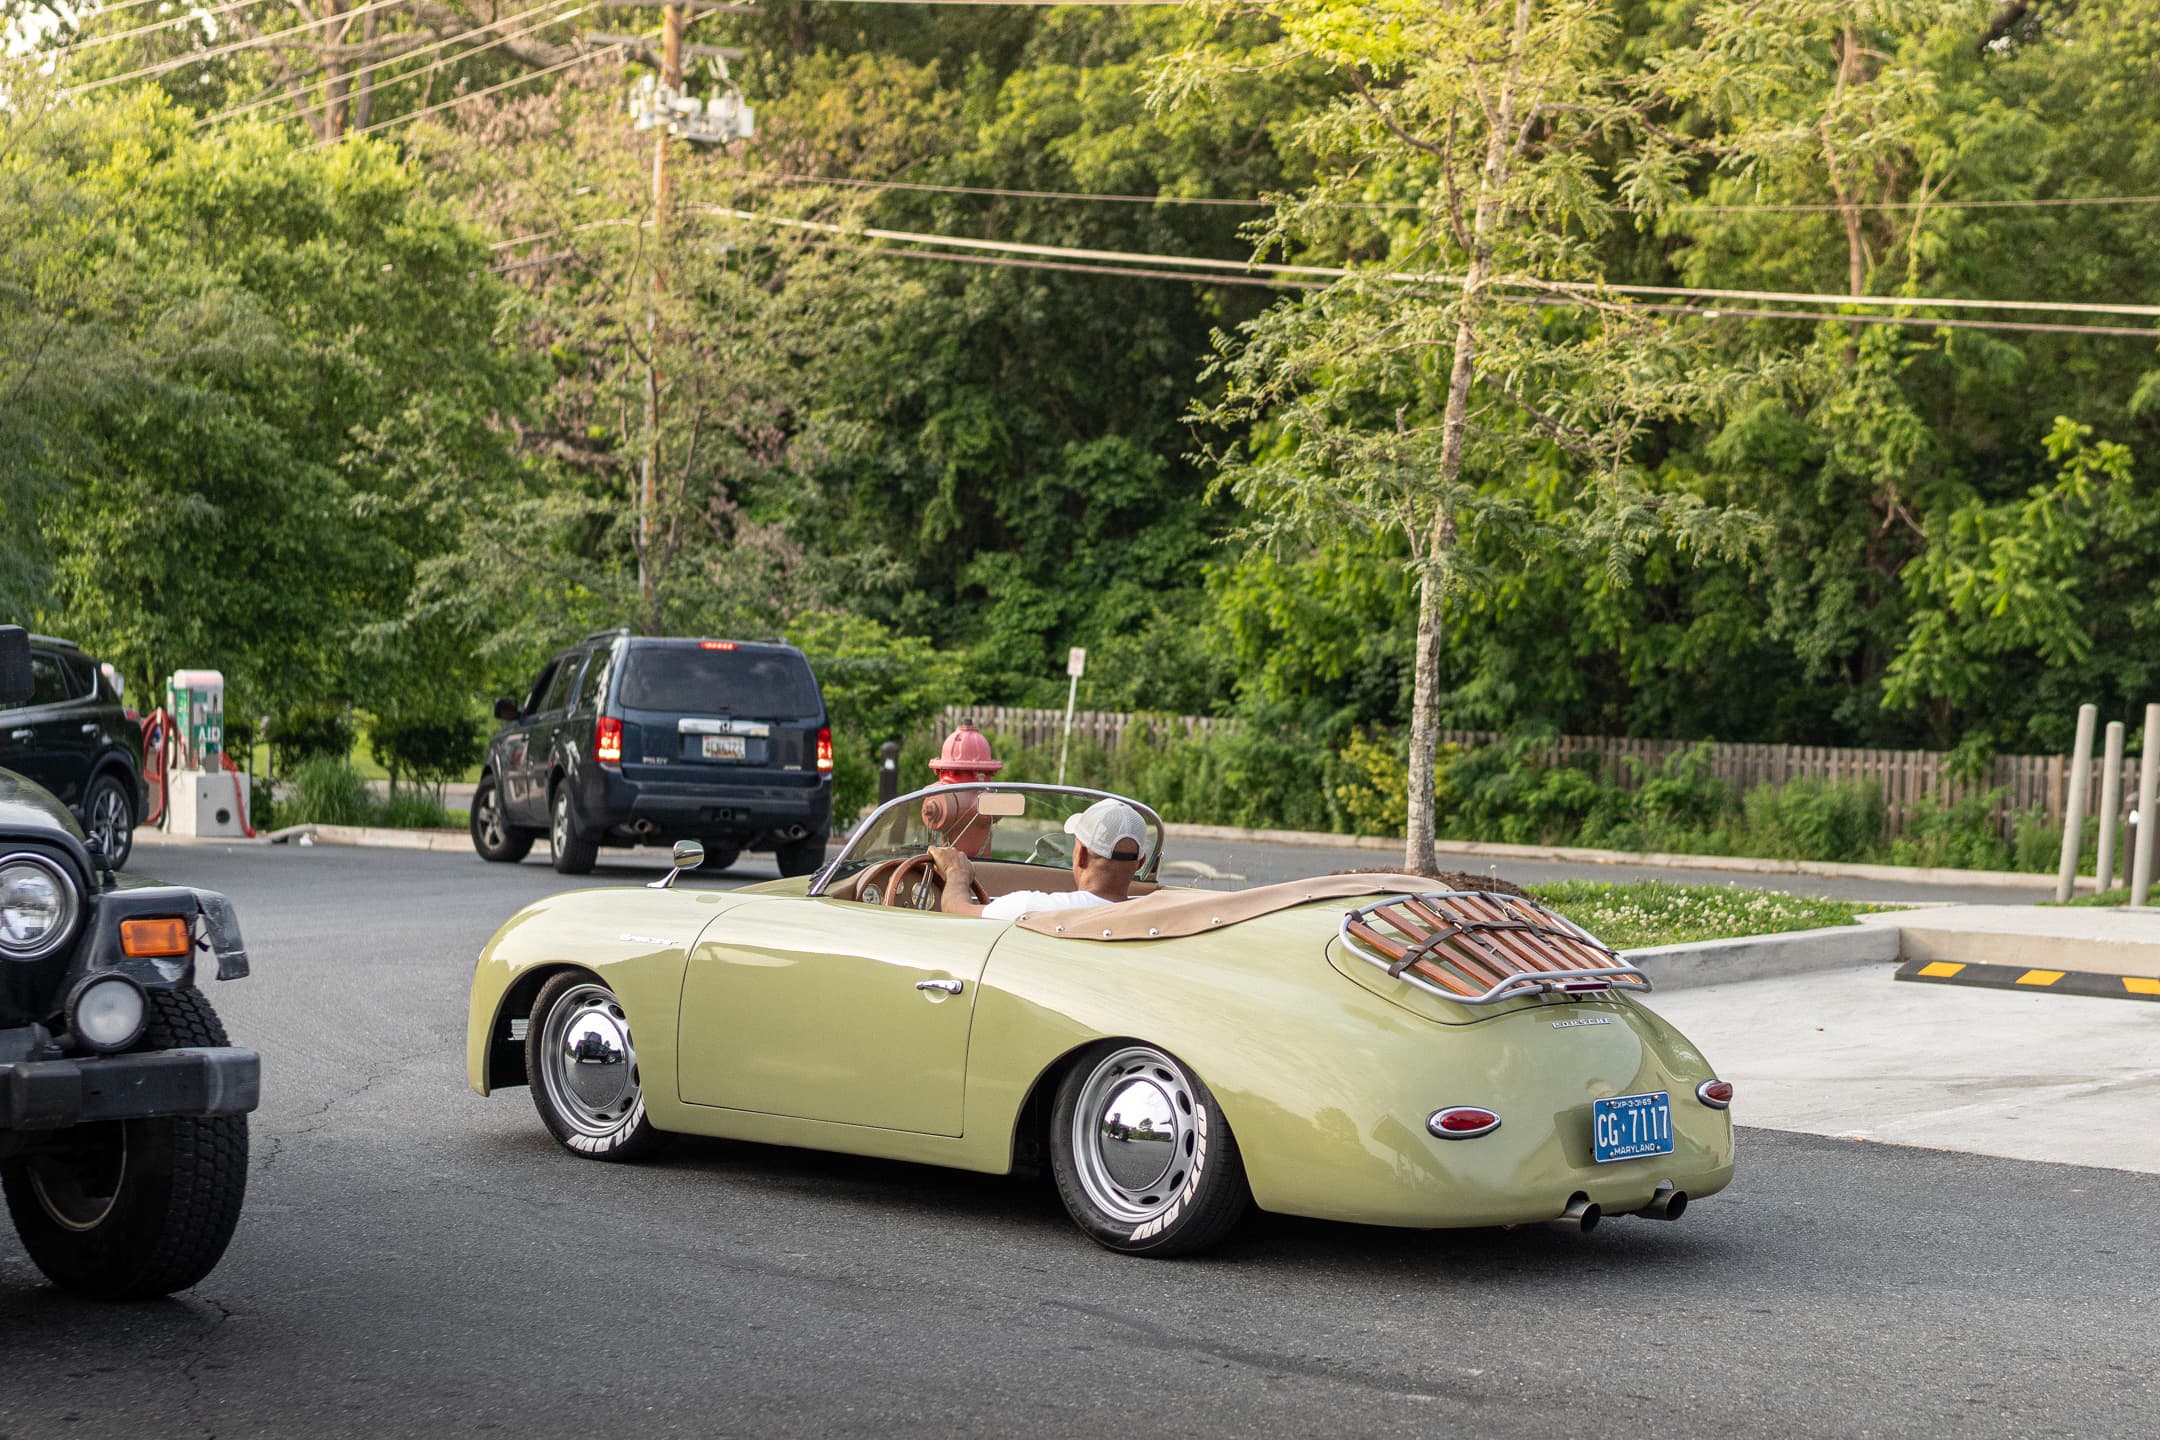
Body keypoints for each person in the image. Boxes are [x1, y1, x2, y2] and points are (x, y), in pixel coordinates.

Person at [929, 797, 1148, 920]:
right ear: (1140, 862)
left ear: (1080, 855)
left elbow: (956, 911)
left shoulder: (1031, 908)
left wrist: (956, 873)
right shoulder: (1147, 914)